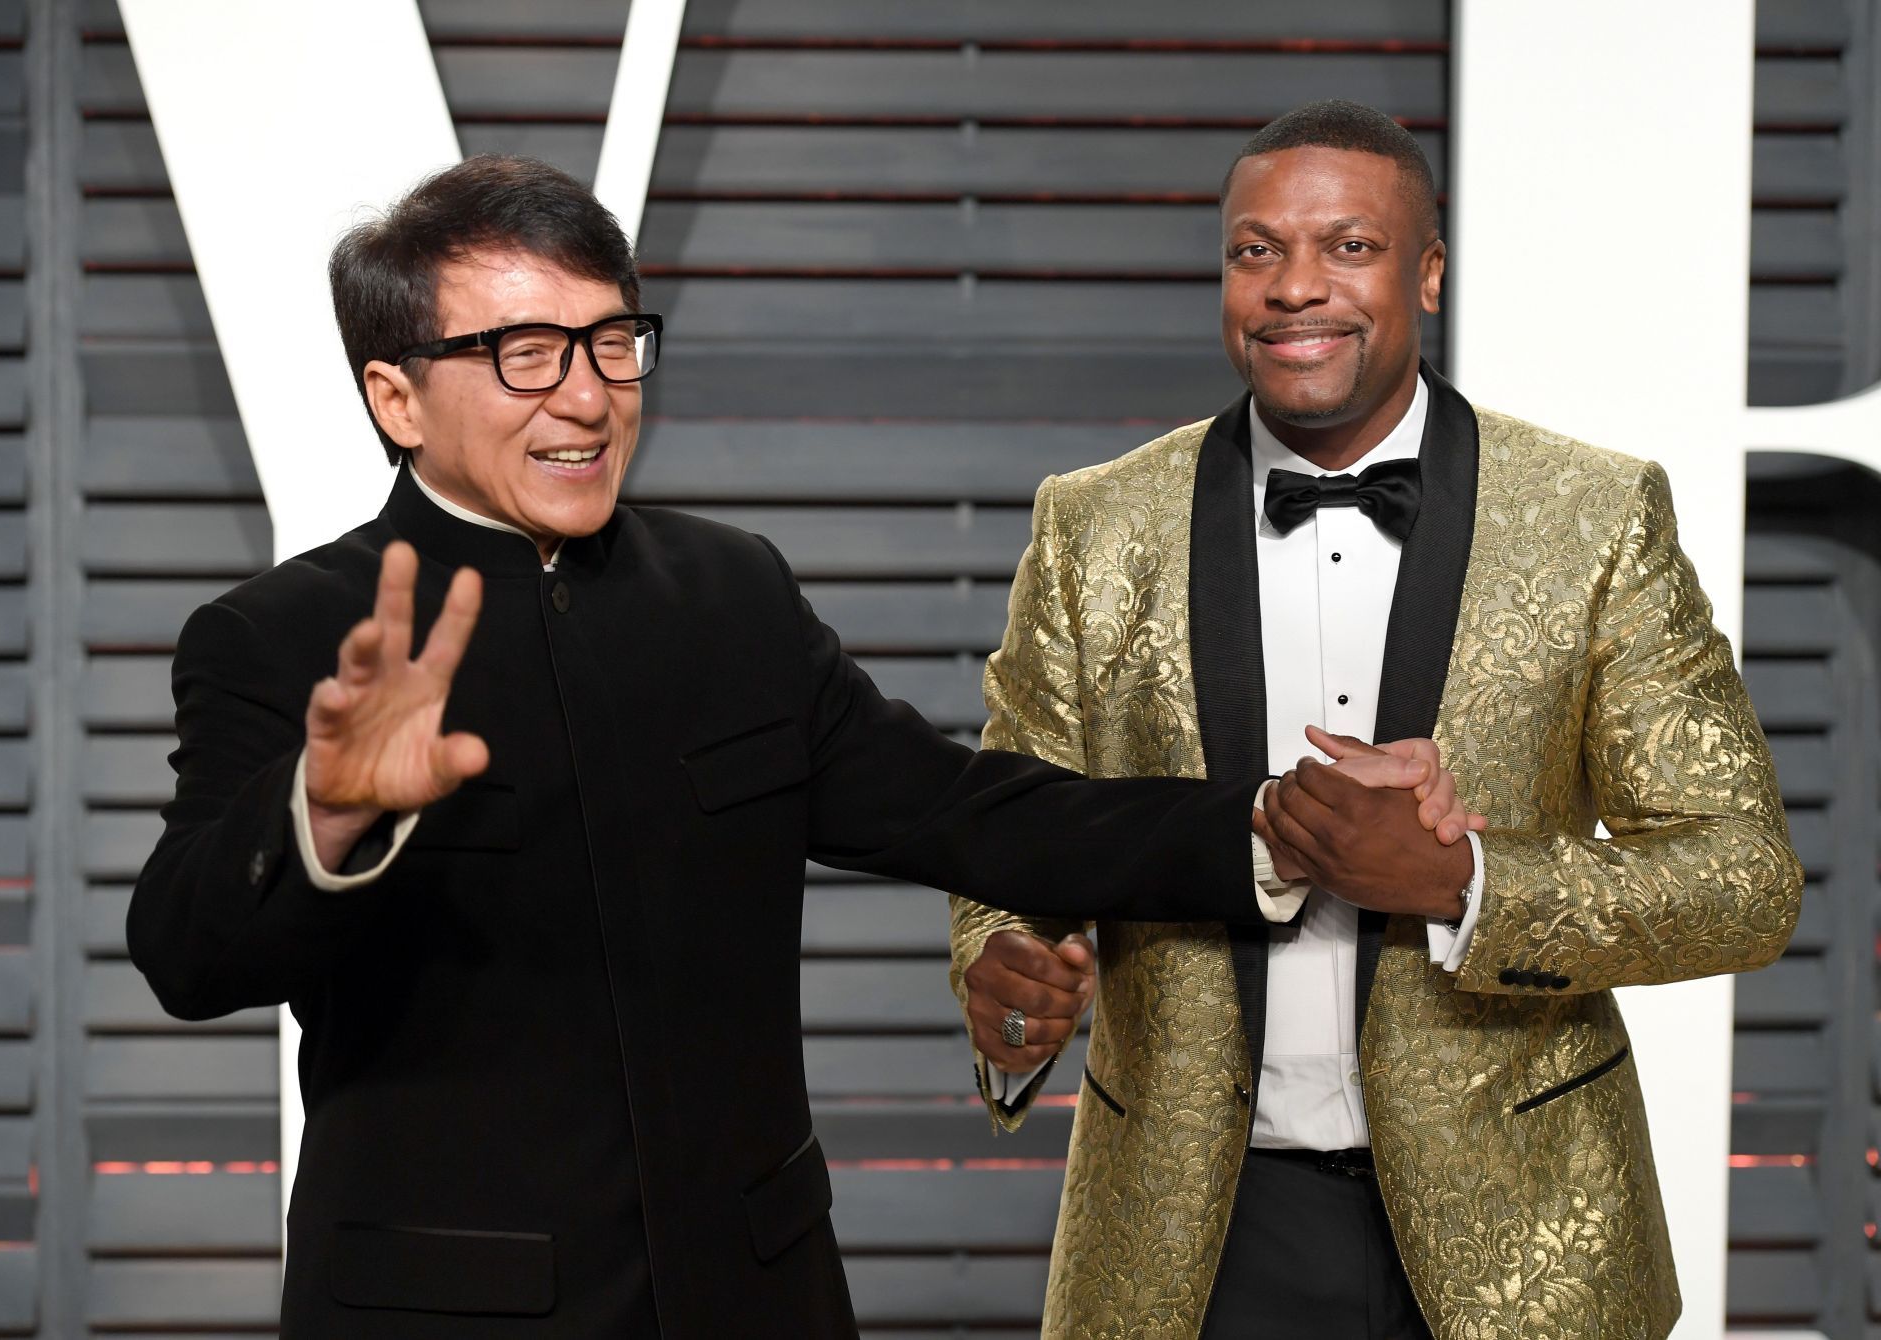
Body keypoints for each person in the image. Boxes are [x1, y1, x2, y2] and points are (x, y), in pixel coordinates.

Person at [124, 155, 1477, 1339]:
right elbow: (186, 952)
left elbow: (963, 808)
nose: (588, 398)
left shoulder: (732, 594)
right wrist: (328, 808)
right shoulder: (277, 634)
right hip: (439, 1310)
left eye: (611, 343)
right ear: (397, 395)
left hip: (755, 1295)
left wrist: (1279, 822)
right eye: (526, 354)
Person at [950, 100, 1802, 1339]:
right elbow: (1010, 828)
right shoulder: (1093, 526)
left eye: (1348, 246)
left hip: (1527, 1245)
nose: (1296, 287)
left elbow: (1744, 875)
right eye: (1256, 251)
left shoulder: (1595, 517)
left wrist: (1463, 878)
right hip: (1188, 1239)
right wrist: (1003, 969)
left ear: (1430, 270)